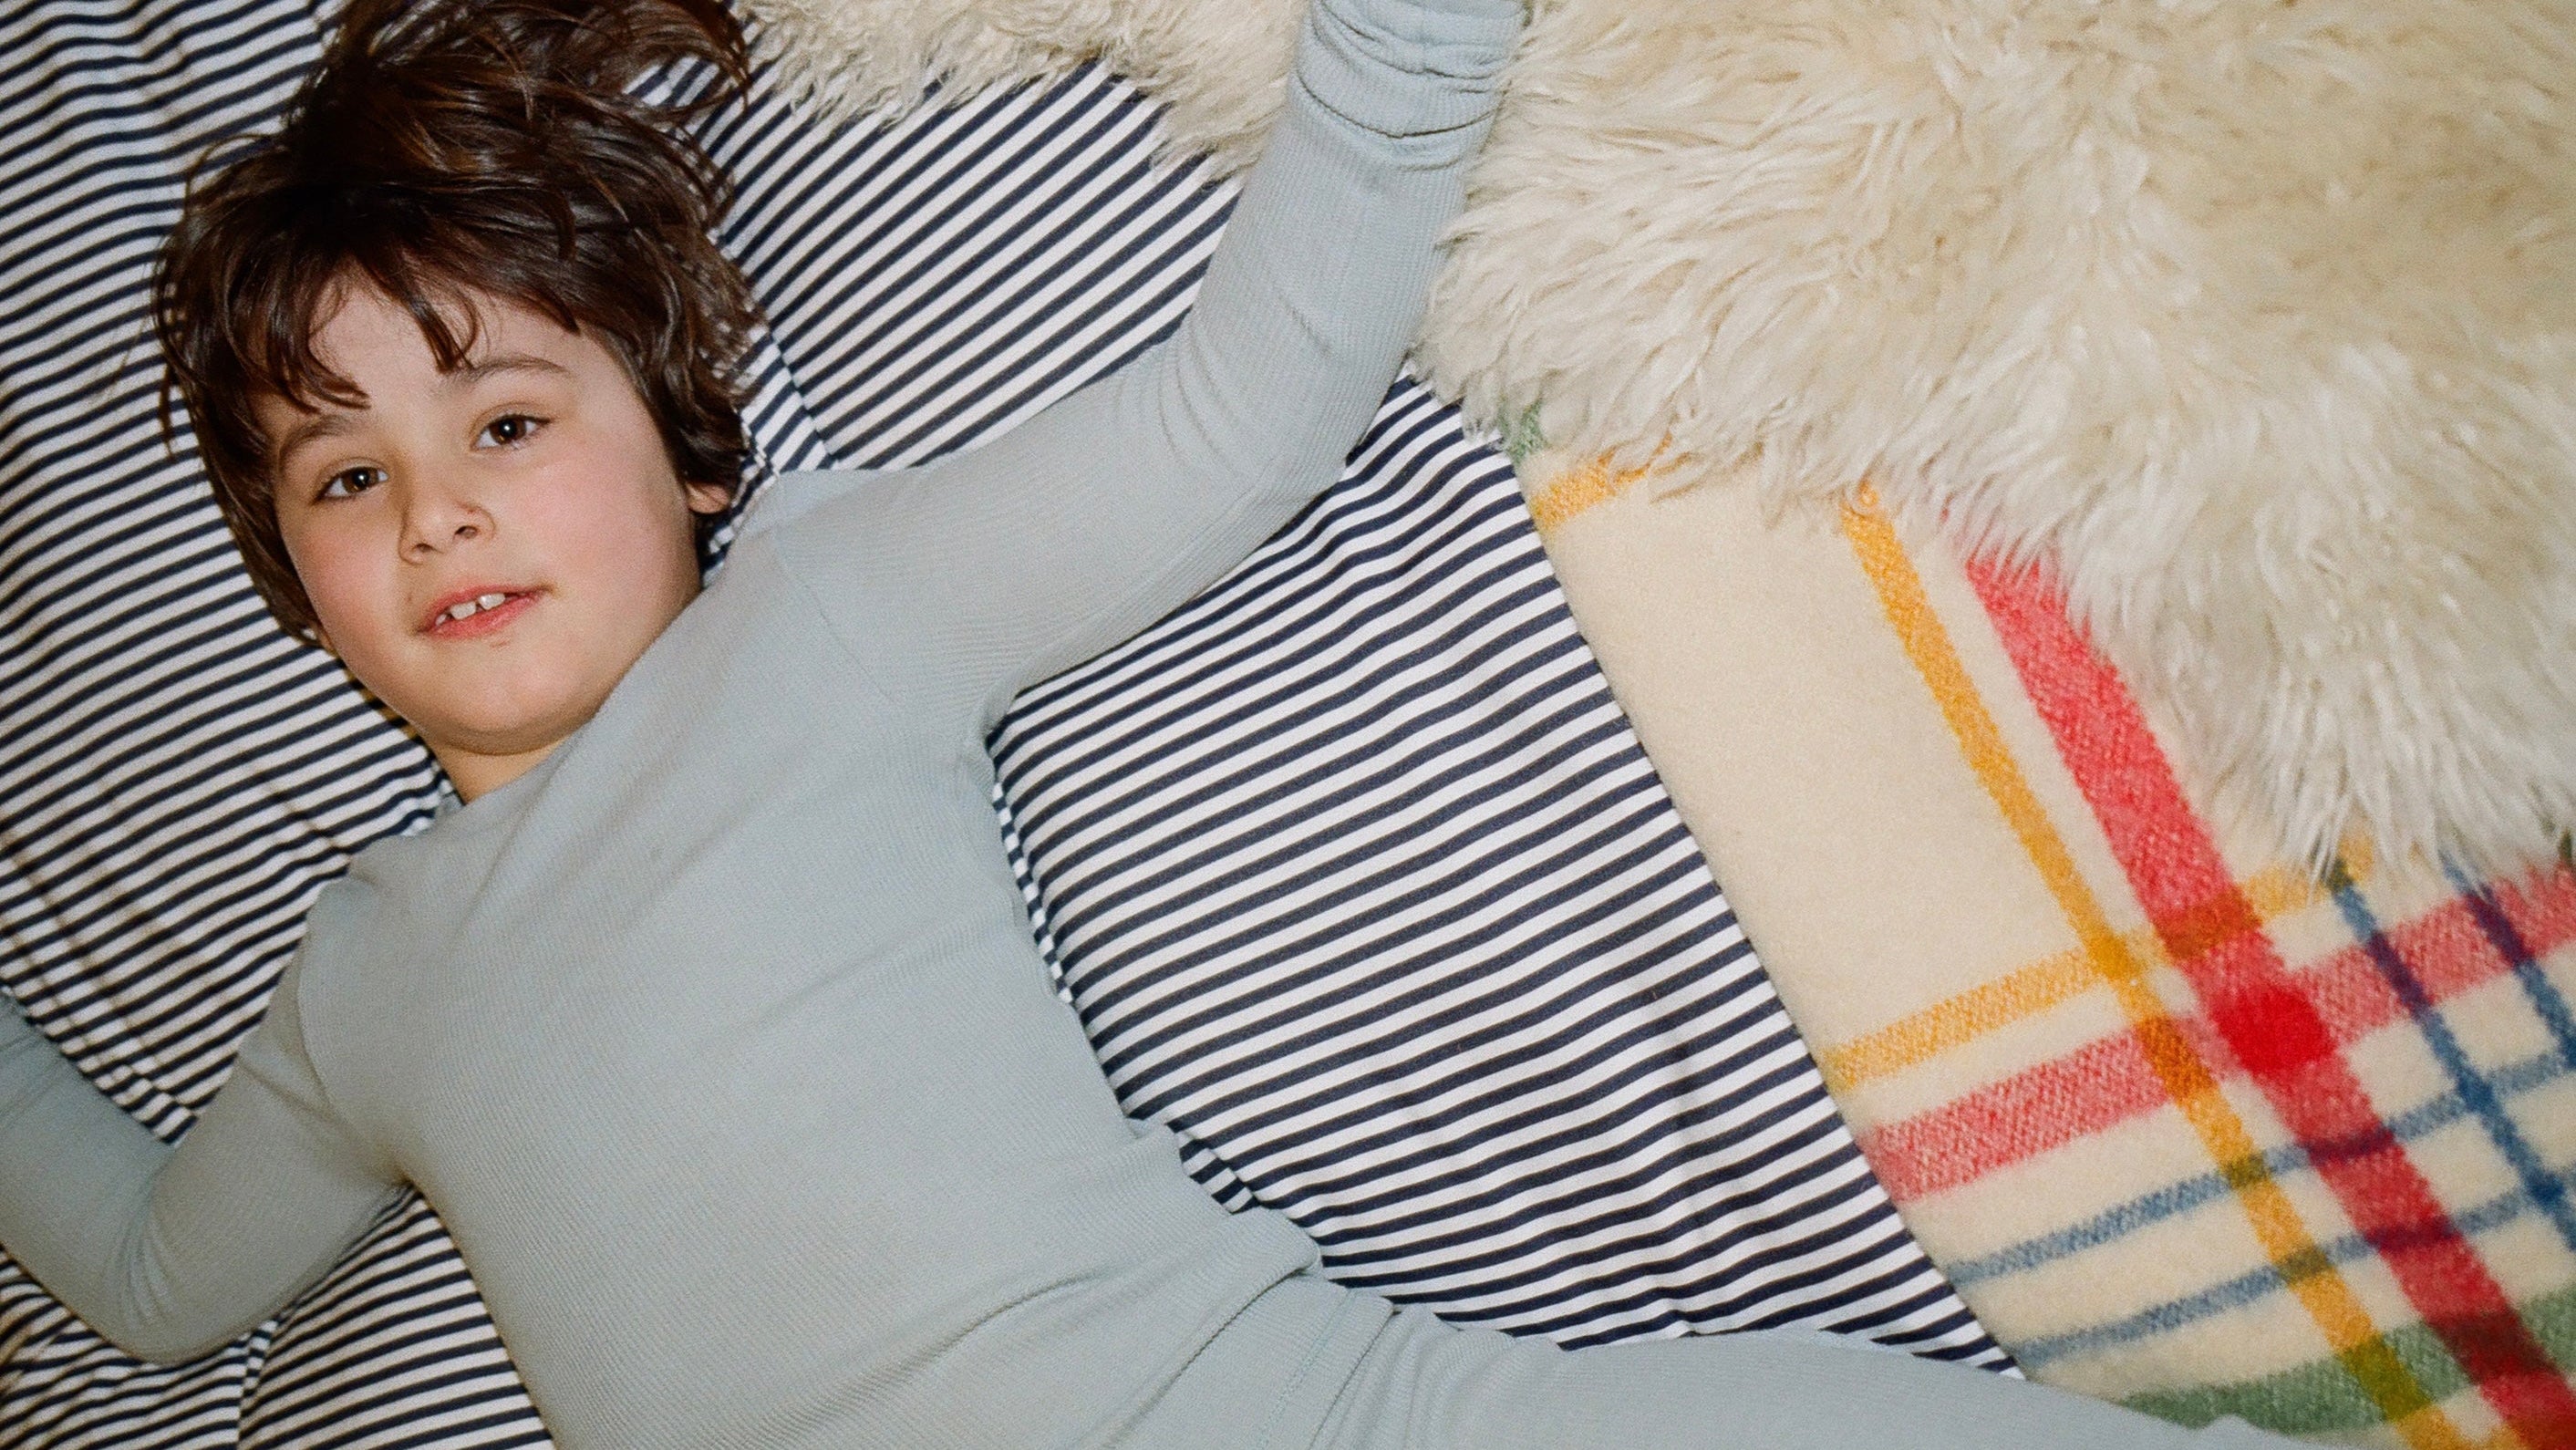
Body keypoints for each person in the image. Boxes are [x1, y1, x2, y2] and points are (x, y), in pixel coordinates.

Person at [0, 0, 2300, 1445]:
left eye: (504, 420)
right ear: (287, 576)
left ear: (694, 461)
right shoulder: (365, 975)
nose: (432, 512)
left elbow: (1239, 415)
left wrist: (1396, 60)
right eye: (341, 476)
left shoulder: (822, 620)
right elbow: (153, 1281)